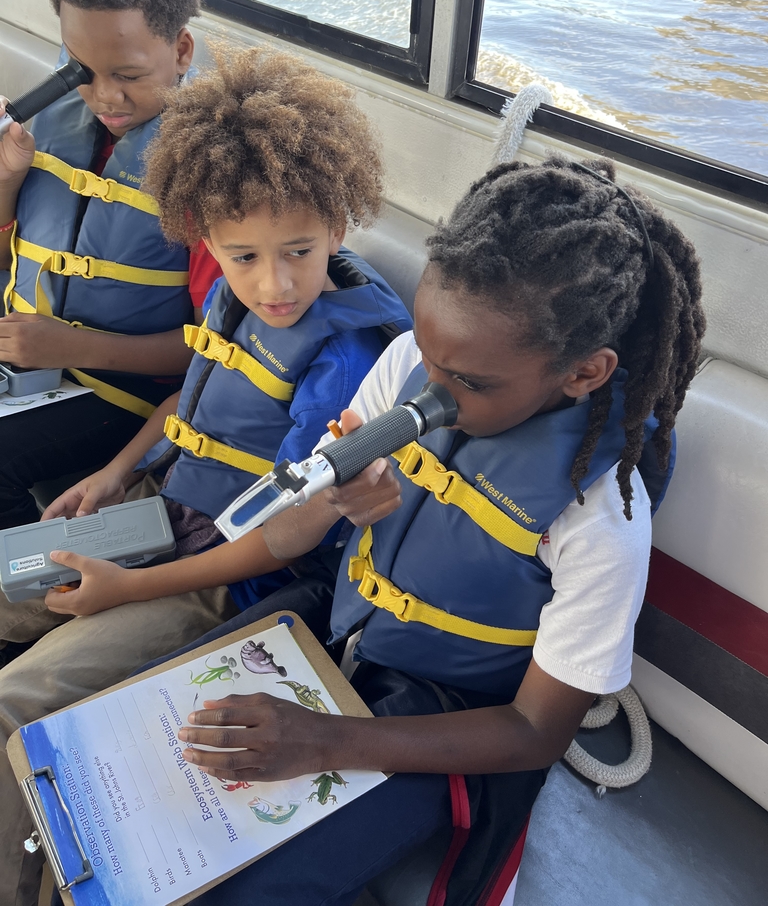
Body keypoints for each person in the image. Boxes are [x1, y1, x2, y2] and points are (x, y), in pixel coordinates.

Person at [112, 155, 705, 906]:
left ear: (584, 373)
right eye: (428, 355)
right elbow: (297, 524)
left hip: (452, 717)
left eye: (471, 383)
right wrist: (331, 504)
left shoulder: (602, 521)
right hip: (342, 626)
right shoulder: (404, 365)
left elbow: (533, 732)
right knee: (131, 749)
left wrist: (323, 743)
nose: (432, 392)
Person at [0, 41, 411, 906]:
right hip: (154, 511)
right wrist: (115, 475)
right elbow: (192, 396)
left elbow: (281, 541)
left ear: (340, 224)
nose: (274, 283)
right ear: (208, 243)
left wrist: (120, 592)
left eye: (298, 251)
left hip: (225, 579)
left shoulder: (344, 360)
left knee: (18, 698)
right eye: (244, 257)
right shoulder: (230, 292)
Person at [0, 0, 207, 536]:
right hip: (30, 365)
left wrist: (74, 348)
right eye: (82, 72)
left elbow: (216, 351)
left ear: (180, 51)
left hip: (125, 391)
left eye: (129, 76)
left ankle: (21, 622)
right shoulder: (52, 124)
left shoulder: (209, 169)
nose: (105, 97)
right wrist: (8, 177)